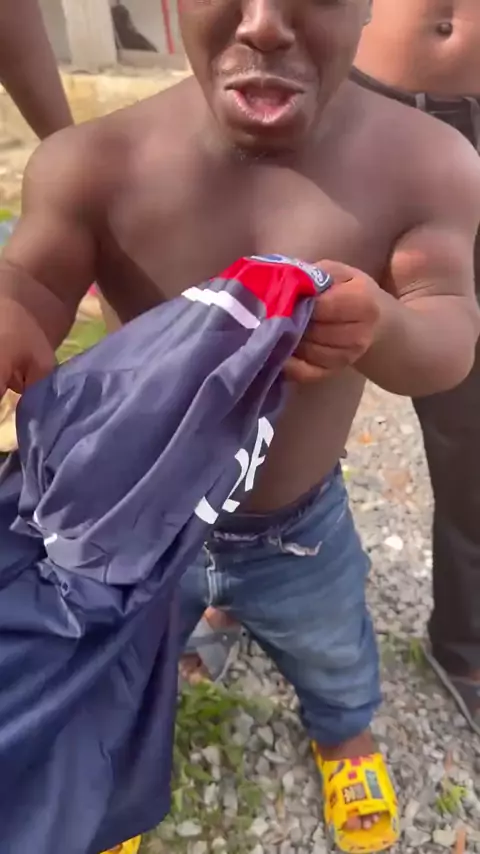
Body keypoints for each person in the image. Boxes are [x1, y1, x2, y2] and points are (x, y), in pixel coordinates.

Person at [1, 0, 480, 849]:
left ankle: (343, 729)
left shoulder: (424, 162)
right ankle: (114, 775)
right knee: (124, 659)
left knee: (331, 646)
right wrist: (14, 316)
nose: (263, 23)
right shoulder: (99, 163)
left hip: (300, 530)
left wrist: (386, 326)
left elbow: (448, 337)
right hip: (146, 529)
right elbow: (32, 285)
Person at [354, 0, 480, 737]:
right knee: (283, 364)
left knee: (475, 421)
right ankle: (237, 585)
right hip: (362, 100)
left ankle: (465, 640)